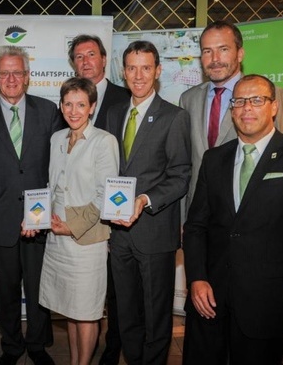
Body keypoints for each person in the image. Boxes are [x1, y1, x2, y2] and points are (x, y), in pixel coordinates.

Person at [182, 74, 283, 365]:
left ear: (273, 106)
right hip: (209, 299)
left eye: (256, 100)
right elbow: (195, 227)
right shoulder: (213, 158)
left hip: (265, 301)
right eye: (239, 101)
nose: (246, 108)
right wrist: (197, 278)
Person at [0, 46, 62, 365]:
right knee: (6, 290)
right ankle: (11, 346)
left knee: (39, 287)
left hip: (39, 218)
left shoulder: (49, 111)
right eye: (5, 73)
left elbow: (57, 168)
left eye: (18, 72)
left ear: (27, 77)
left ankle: (37, 344)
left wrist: (53, 211)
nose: (11, 79)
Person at [106, 40, 191, 364]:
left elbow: (180, 175)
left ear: (158, 71)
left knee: (156, 317)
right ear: (123, 71)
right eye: (131, 68)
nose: (138, 75)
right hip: (119, 234)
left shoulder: (174, 117)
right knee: (126, 313)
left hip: (155, 232)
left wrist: (144, 199)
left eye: (145, 68)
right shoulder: (114, 114)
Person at [23, 77, 119, 365]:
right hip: (56, 239)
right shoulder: (56, 139)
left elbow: (106, 196)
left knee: (87, 312)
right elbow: (51, 187)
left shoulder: (104, 141)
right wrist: (35, 218)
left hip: (85, 241)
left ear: (92, 107)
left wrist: (72, 226)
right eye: (68, 104)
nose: (73, 111)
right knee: (70, 311)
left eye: (80, 104)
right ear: (61, 106)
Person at [179, 20, 283, 210]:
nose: (215, 59)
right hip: (199, 212)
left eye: (223, 49)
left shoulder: (270, 95)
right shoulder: (188, 99)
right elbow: (185, 166)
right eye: (207, 51)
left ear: (240, 53)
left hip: (253, 211)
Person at [68, 35, 130, 365]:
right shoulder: (68, 104)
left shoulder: (125, 97)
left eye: (91, 54)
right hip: (82, 219)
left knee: (116, 291)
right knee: (85, 296)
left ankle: (112, 348)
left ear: (105, 59)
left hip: (119, 211)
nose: (86, 61)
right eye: (79, 57)